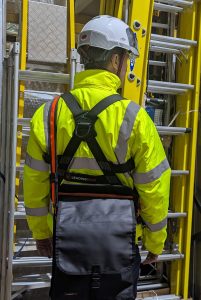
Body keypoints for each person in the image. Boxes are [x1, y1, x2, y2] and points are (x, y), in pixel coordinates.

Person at [24, 15, 171, 299]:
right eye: (127, 59)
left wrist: (41, 232)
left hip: (69, 237)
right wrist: (156, 241)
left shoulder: (49, 114)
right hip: (119, 241)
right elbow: (154, 189)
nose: (126, 66)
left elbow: (34, 183)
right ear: (115, 60)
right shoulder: (135, 117)